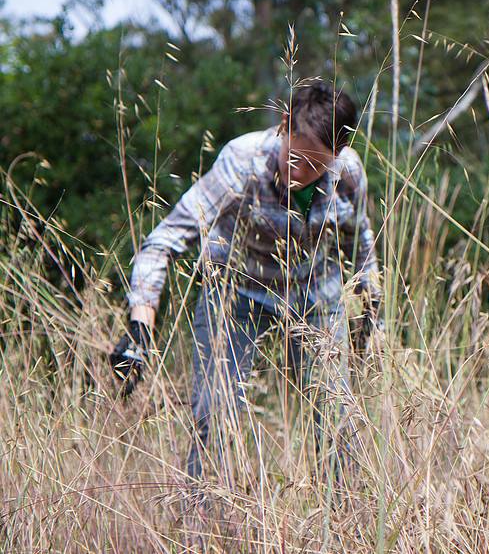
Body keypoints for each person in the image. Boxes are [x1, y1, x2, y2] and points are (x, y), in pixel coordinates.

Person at [109, 80, 381, 483]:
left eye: (316, 164)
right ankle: (202, 527)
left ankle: (345, 526)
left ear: (338, 155)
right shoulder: (241, 162)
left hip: (313, 292)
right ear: (284, 125)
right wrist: (139, 328)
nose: (300, 173)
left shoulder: (349, 174)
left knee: (337, 417)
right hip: (235, 289)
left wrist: (369, 315)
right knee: (215, 413)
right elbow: (163, 240)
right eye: (296, 157)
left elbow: (360, 244)